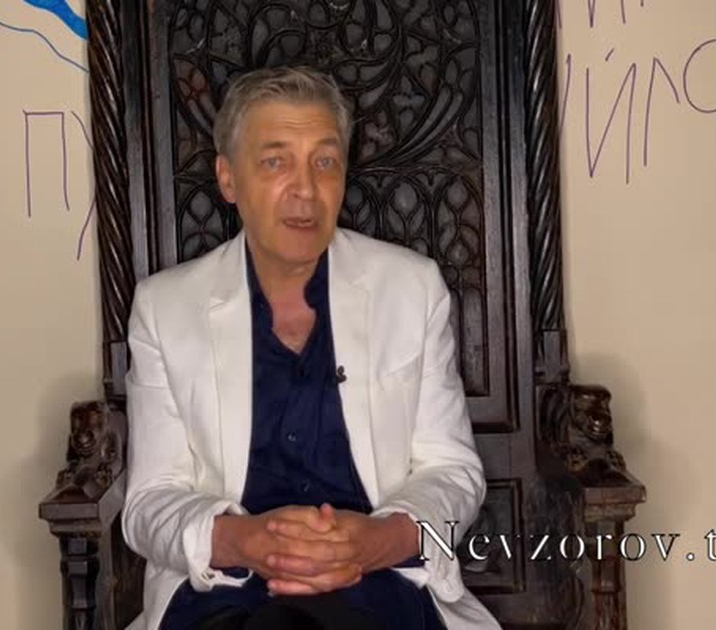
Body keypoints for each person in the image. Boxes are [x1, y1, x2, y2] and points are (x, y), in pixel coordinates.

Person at [121, 65, 501, 630]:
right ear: (228, 179)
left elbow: (453, 472)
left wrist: (375, 541)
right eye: (275, 162)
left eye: (324, 162)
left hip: (377, 584)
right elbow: (149, 503)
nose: (305, 189)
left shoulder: (411, 288)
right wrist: (246, 541)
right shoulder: (165, 307)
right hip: (224, 589)